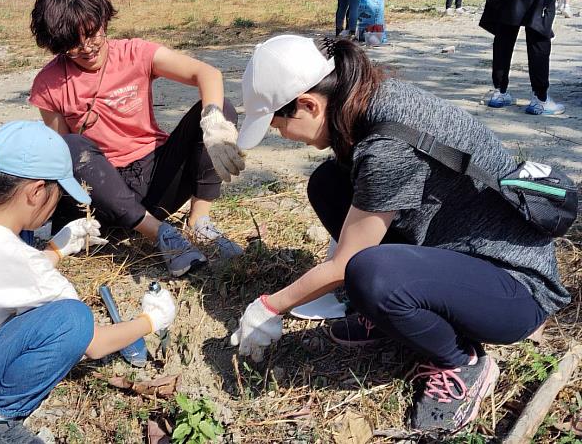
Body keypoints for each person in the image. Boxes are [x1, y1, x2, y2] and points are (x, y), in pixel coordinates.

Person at [229, 34, 569, 435]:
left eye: (278, 124)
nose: (282, 135)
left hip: (515, 289)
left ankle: (462, 361)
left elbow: (344, 265)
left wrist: (269, 307)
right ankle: (396, 313)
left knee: (368, 273)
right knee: (328, 182)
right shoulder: (371, 98)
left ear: (309, 104)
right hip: (460, 253)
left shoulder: (387, 146)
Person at [0, 121, 177, 444]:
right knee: (72, 319)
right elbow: (93, 343)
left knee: (51, 301)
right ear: (35, 192)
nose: (56, 203)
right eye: (57, 193)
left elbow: (6, 275)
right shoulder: (17, 258)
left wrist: (57, 249)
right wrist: (151, 320)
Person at [28, 0, 246, 278]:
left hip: (156, 178)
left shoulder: (135, 53)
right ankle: (162, 236)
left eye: (92, 34)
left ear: (104, 20)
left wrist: (214, 123)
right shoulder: (48, 84)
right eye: (72, 44)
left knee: (222, 108)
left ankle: (199, 222)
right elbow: (64, 161)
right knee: (68, 147)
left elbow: (206, 73)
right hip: (105, 193)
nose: (87, 47)